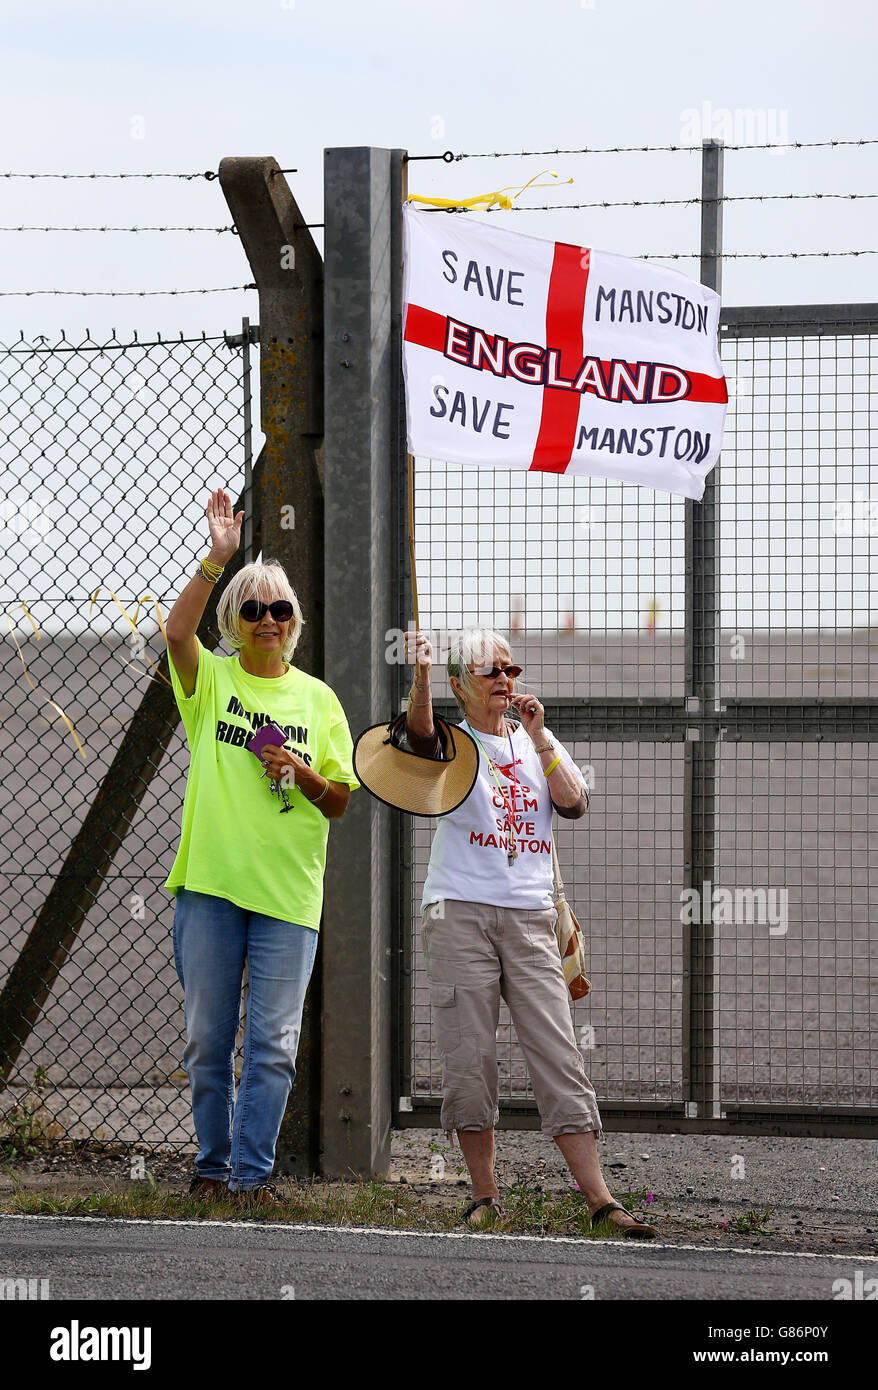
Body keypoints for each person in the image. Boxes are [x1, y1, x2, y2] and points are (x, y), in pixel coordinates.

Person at [404, 626, 656, 1236]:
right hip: (459, 909)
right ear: (462, 686)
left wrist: (540, 736)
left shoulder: (534, 741)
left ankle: (599, 1200)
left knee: (557, 1051)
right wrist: (421, 678)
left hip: (530, 915)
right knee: (471, 1055)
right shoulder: (452, 741)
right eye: (491, 672)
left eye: (510, 671)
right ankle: (485, 1196)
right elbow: (415, 737)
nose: (505, 682)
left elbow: (574, 803)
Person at [163, 488, 359, 1205]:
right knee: (208, 1042)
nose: (267, 621)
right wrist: (218, 559)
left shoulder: (318, 700)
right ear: (234, 624)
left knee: (273, 1045)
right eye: (252, 611)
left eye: (279, 610)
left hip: (287, 893)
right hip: (212, 887)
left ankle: (253, 1178)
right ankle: (212, 1171)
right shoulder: (210, 682)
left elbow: (339, 800)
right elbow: (176, 635)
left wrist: (301, 772)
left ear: (295, 623)